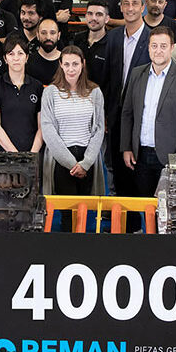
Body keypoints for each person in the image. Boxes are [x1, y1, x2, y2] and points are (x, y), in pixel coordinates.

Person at [121, 26, 176, 197]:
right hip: (140, 154)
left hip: (169, 156)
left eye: (163, 46)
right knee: (143, 204)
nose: (158, 51)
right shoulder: (137, 74)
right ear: (149, 47)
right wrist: (126, 147)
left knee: (167, 206)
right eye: (154, 46)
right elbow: (127, 113)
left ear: (172, 48)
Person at [40, 46, 107, 231]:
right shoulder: (50, 92)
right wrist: (71, 164)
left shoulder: (95, 92)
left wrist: (86, 163)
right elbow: (48, 129)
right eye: (67, 64)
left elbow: (99, 129)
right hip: (62, 160)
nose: (71, 69)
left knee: (84, 213)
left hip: (87, 158)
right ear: (61, 65)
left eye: (75, 64)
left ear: (83, 64)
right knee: (68, 216)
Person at [103, 0, 150, 202]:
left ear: (143, 7)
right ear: (120, 7)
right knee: (118, 171)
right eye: (126, 4)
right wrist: (106, 113)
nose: (130, 8)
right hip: (116, 116)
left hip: (141, 118)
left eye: (135, 3)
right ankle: (123, 218)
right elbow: (107, 78)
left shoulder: (152, 39)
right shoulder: (113, 37)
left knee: (140, 173)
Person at [0, 35, 43, 152]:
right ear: (5, 59)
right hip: (3, 154)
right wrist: (16, 155)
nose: (16, 58)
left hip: (32, 152)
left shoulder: (37, 86)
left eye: (20, 53)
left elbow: (42, 127)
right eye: (11, 54)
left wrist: (32, 154)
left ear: (26, 57)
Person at [71, 0, 109, 87]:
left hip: (102, 94)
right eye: (90, 14)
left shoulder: (112, 43)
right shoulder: (77, 39)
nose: (93, 18)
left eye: (99, 14)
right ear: (86, 16)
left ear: (107, 19)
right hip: (79, 92)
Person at [27, 19, 62, 85]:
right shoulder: (28, 61)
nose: (48, 37)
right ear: (37, 35)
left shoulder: (66, 62)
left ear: (58, 35)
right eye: (43, 33)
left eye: (52, 33)